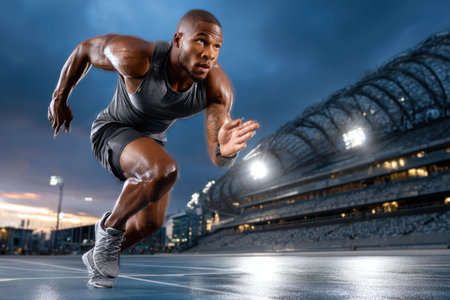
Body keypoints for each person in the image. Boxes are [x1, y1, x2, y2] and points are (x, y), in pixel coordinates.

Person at [48, 9, 259, 288]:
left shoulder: (216, 88)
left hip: (151, 144)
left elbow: (217, 156)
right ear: (178, 39)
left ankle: (100, 253)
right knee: (164, 170)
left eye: (217, 46)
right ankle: (109, 230)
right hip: (112, 130)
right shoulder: (136, 56)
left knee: (152, 223)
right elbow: (85, 50)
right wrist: (59, 97)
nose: (210, 53)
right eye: (201, 41)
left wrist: (227, 151)